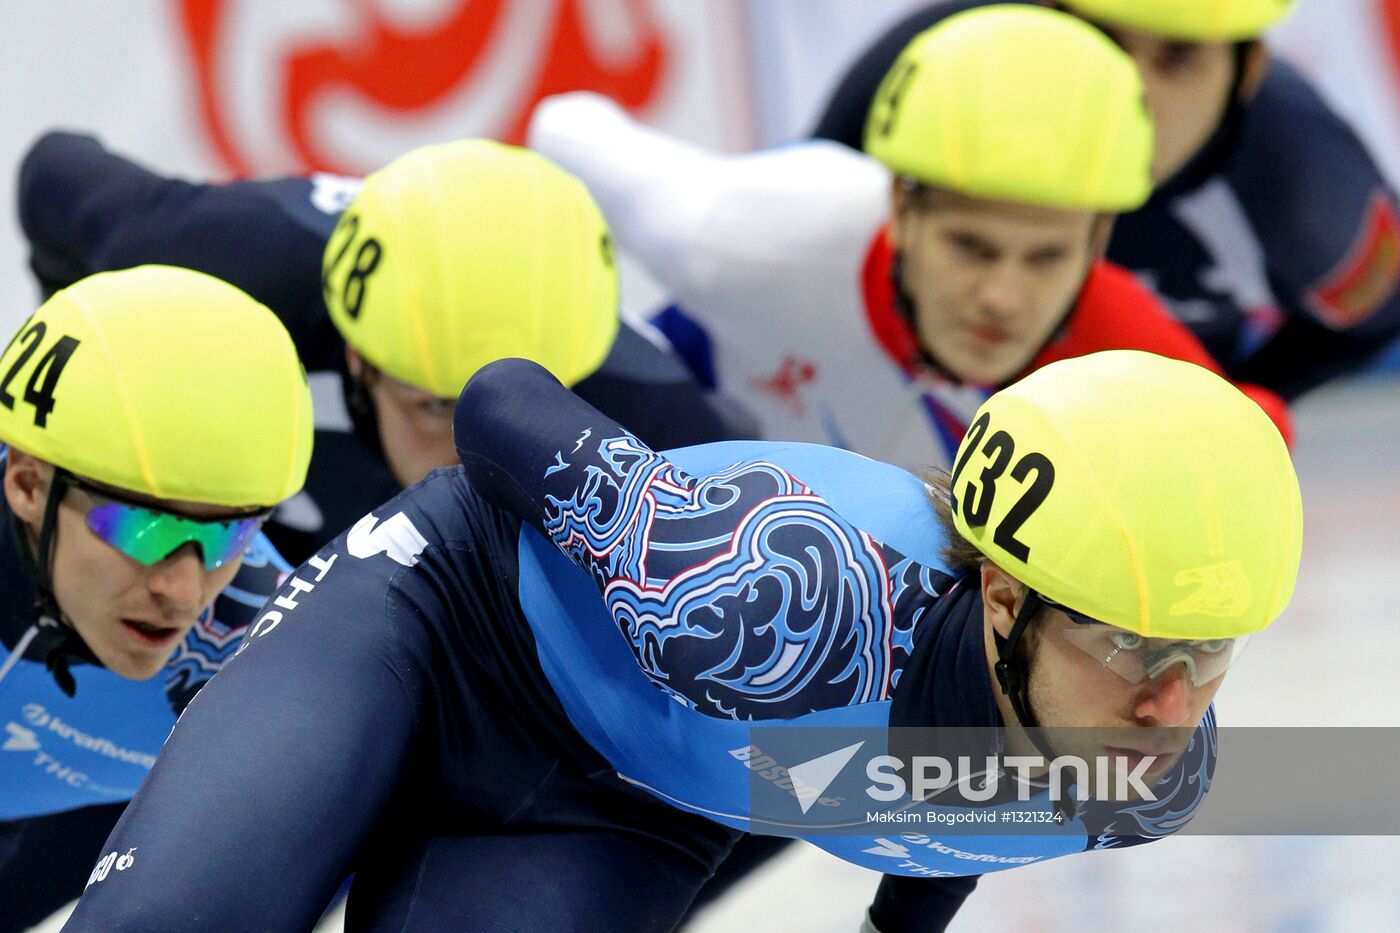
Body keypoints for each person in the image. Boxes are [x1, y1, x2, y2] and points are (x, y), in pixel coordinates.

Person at [60, 348, 1302, 933]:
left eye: (1206, 658)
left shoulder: (1141, 777)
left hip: (626, 807)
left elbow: (955, 803)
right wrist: (632, 519)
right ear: (998, 597)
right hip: (438, 634)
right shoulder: (777, 598)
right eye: (1136, 651)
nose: (1168, 707)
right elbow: (500, 398)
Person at [528, 5, 1292, 473]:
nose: (1002, 296)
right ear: (900, 203)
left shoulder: (1110, 339)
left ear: (1099, 243)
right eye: (970, 246)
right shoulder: (753, 233)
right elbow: (562, 127)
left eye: (1046, 256)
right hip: (675, 456)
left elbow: (1253, 441)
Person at [17, 134, 742, 565]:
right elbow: (52, 174)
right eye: (438, 407)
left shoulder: (665, 438)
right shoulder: (233, 268)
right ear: (360, 360)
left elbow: (837, 762)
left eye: (537, 410)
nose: (484, 454)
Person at [812, 0, 1400, 400]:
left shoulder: (1309, 186)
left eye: (1178, 56)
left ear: (1249, 69)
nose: (1132, 91)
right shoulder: (935, 71)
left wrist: (1229, 399)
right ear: (1044, 13)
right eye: (1101, 40)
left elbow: (1373, 322)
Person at [0, 265, 313, 931]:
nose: (185, 589)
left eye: (231, 532)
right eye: (145, 527)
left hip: (72, 832)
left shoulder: (260, 646)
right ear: (27, 484)